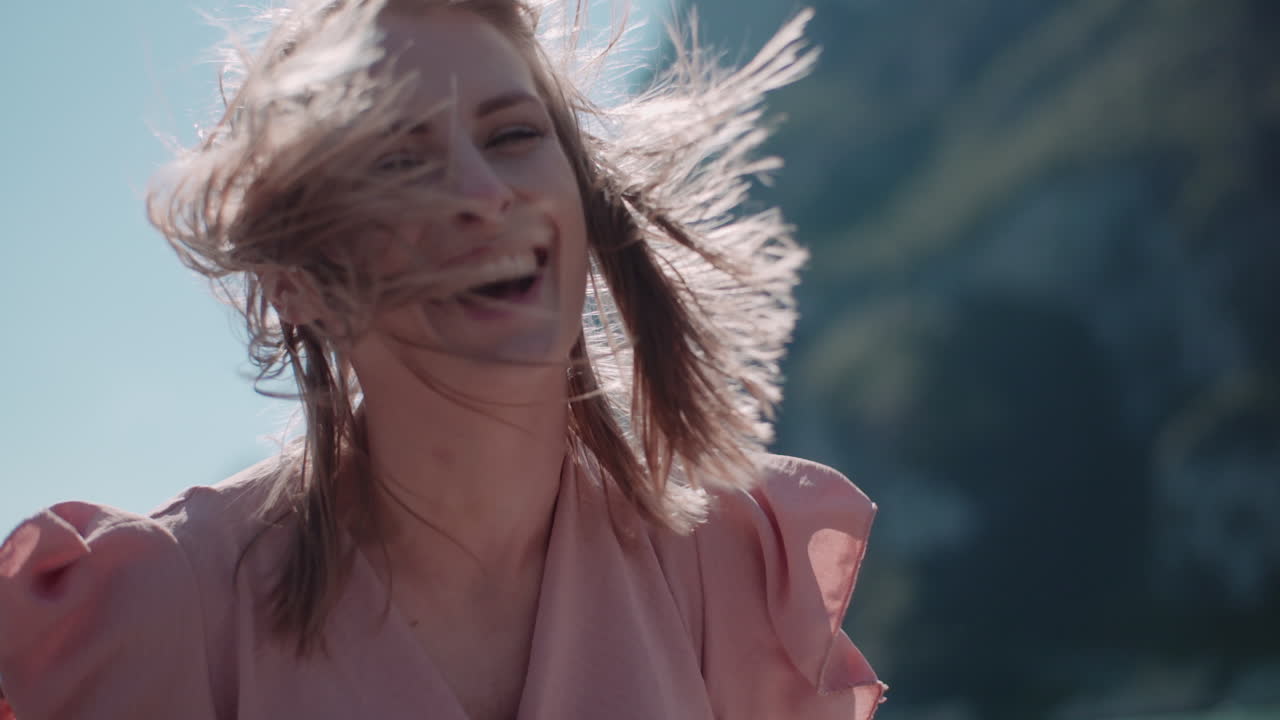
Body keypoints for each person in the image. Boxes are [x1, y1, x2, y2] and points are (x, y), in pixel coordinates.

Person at [0, 0, 885, 717]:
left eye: (511, 137)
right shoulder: (163, 610)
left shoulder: (729, 564)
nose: (483, 195)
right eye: (397, 161)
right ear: (295, 279)